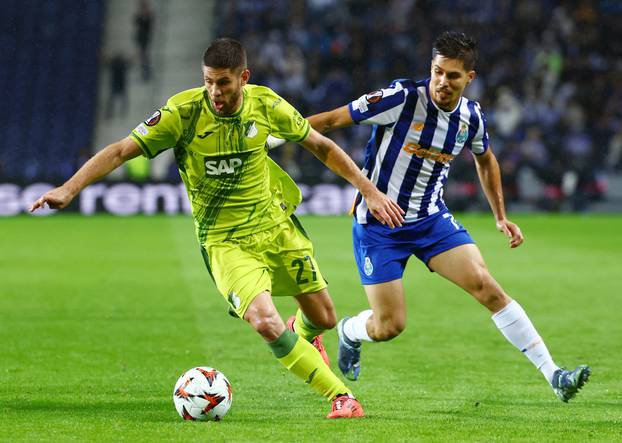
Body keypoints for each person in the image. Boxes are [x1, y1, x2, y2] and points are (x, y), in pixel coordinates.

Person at [30, 38, 404, 418]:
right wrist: (69, 187)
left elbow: (320, 145)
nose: (215, 92)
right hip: (225, 243)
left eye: (223, 82)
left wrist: (369, 192)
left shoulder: (266, 104)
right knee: (264, 321)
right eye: (208, 81)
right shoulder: (183, 113)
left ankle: (304, 333)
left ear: (244, 78)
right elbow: (121, 151)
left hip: (275, 227)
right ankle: (341, 397)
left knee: (323, 318)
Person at [302, 31, 591, 402]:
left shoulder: (471, 117)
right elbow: (327, 121)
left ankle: (555, 375)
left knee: (487, 286)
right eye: (437, 72)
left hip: (431, 221)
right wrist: (271, 139)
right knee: (390, 326)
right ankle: (350, 331)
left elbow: (486, 159)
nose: (442, 82)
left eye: (453, 76)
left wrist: (500, 216)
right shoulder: (401, 98)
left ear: (469, 77)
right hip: (379, 227)